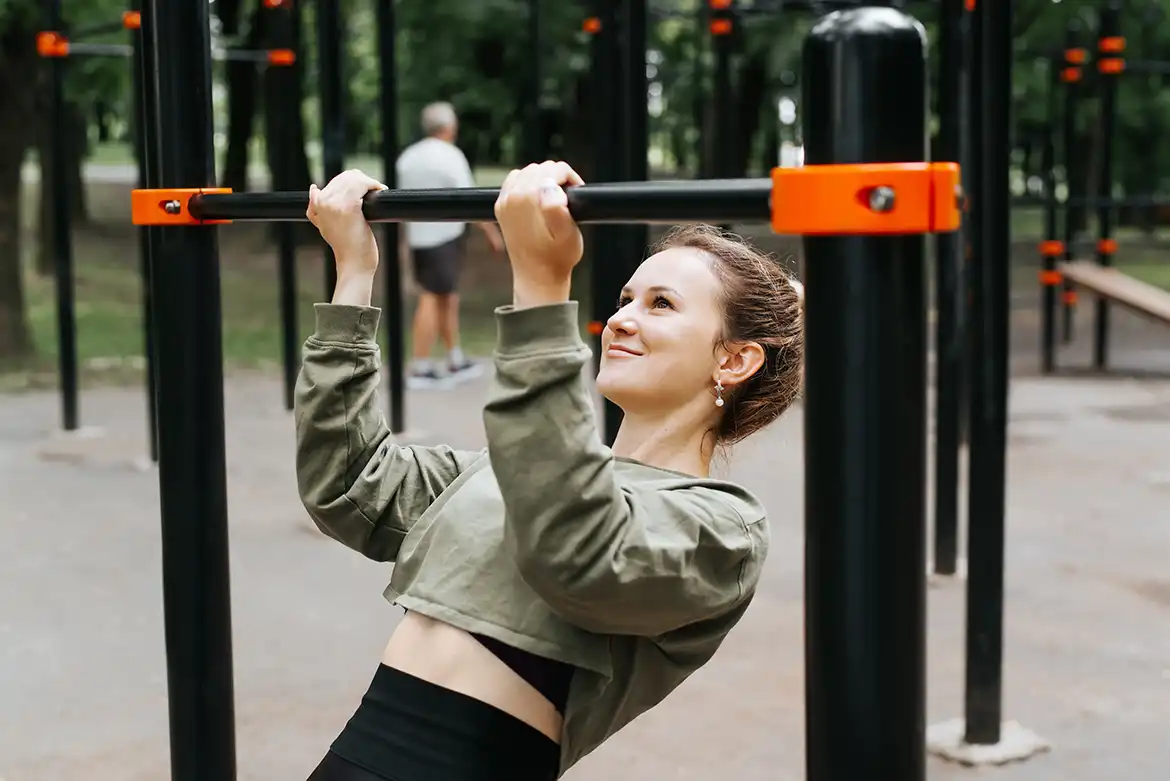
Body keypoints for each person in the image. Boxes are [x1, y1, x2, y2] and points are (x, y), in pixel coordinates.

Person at [297, 161, 805, 781]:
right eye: (624, 299)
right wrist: (355, 272)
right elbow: (349, 485)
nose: (620, 319)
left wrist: (541, 285)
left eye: (661, 304)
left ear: (735, 360)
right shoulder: (507, 473)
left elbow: (575, 547)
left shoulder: (723, 530)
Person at [395, 101, 505, 389]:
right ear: (449, 127)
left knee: (446, 297)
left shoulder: (408, 157)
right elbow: (468, 197)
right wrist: (492, 233)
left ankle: (454, 358)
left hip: (420, 237)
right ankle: (419, 366)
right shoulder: (450, 155)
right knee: (433, 297)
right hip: (443, 237)